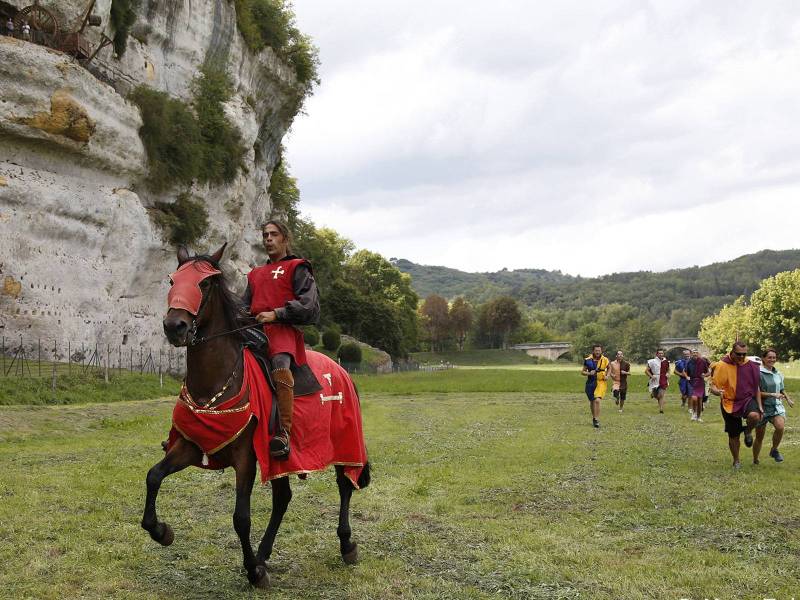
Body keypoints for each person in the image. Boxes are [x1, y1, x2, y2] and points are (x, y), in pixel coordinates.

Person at [242, 220, 320, 460]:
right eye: (265, 234)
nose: (268, 238)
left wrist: (277, 313)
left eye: (273, 234)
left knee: (279, 365)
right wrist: (242, 313)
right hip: (253, 332)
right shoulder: (255, 274)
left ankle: (283, 432)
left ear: (285, 239)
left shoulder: (297, 267)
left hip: (282, 332)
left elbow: (309, 305)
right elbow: (245, 305)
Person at [710, 341, 762, 470]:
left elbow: (756, 387)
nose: (741, 357)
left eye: (744, 354)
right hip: (729, 402)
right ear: (732, 352)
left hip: (746, 399)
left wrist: (760, 405)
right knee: (733, 435)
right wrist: (717, 391)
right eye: (739, 354)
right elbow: (713, 386)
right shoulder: (722, 365)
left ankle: (748, 431)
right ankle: (736, 460)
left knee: (755, 416)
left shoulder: (750, 365)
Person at [753, 348, 794, 464]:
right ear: (763, 359)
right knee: (759, 436)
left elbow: (781, 389)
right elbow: (756, 393)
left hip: (776, 406)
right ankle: (755, 459)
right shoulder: (758, 374)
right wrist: (772, 394)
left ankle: (774, 450)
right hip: (762, 407)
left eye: (774, 357)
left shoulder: (778, 373)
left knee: (780, 427)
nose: (772, 359)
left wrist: (788, 399)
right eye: (769, 357)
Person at [582, 344, 609, 428]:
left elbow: (609, 368)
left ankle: (596, 419)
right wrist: (589, 373)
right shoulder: (587, 360)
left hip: (601, 382)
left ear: (601, 351)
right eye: (596, 350)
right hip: (590, 383)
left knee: (597, 400)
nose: (598, 352)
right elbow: (582, 372)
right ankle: (594, 418)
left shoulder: (605, 359)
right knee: (592, 401)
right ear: (593, 351)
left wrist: (607, 376)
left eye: (599, 350)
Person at [686, 349, 709, 422]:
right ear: (691, 354)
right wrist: (687, 376)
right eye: (693, 353)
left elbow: (708, 372)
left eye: (696, 353)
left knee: (699, 401)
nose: (695, 354)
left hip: (700, 382)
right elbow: (685, 371)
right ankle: (693, 414)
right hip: (692, 382)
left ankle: (699, 417)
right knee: (694, 398)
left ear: (698, 354)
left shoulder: (703, 361)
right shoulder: (689, 362)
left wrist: (704, 375)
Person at [645, 349, 670, 413]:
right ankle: (653, 393)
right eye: (659, 353)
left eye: (662, 353)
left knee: (661, 395)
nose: (661, 354)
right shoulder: (652, 361)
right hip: (655, 379)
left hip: (663, 379)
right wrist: (651, 376)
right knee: (657, 395)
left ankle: (661, 409)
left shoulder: (666, 361)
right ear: (657, 354)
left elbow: (668, 369)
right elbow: (646, 371)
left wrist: (668, 373)